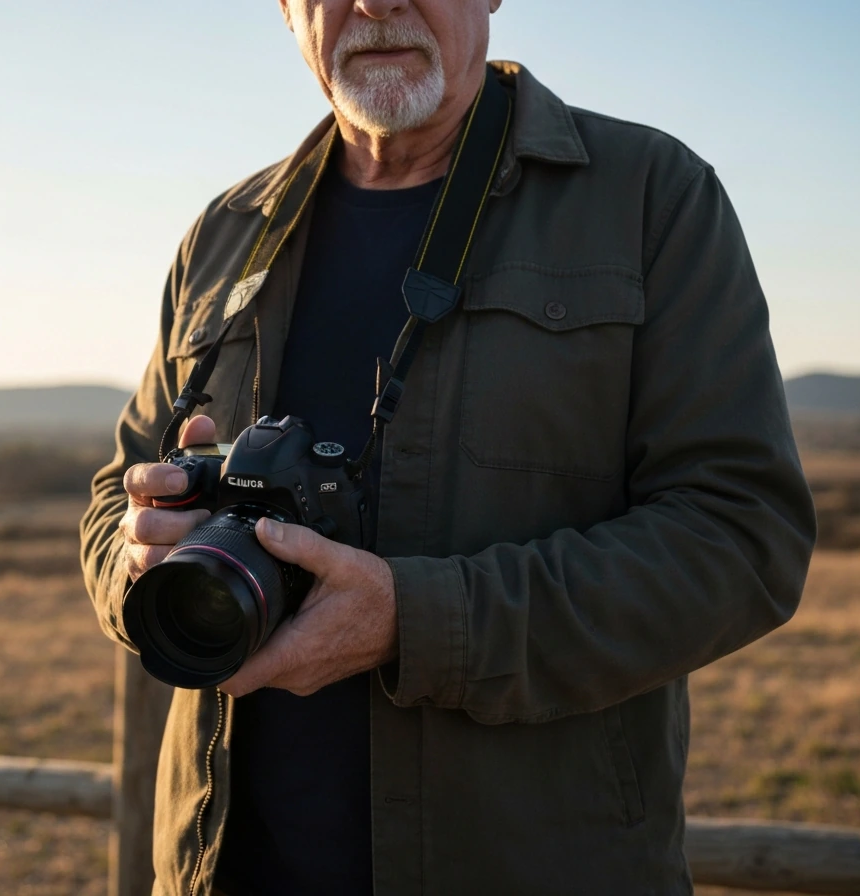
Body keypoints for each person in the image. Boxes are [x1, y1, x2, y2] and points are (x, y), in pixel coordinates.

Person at [79, 1, 817, 894]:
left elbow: (742, 539)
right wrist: (142, 556)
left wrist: (415, 623)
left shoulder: (647, 196)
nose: (378, 2)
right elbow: (114, 502)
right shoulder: (227, 232)